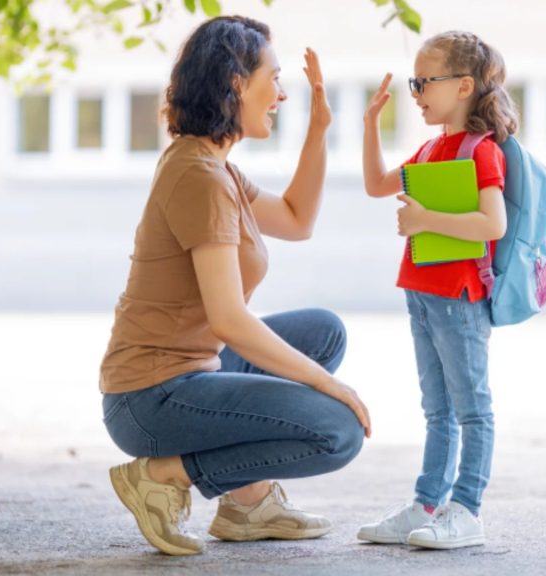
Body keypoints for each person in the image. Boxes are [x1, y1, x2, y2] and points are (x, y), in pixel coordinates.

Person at [99, 16, 371, 556]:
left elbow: (296, 219)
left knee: (323, 332)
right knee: (336, 431)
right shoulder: (200, 177)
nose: (282, 93)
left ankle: (247, 505)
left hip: (195, 373)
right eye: (273, 77)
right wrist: (328, 386)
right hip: (150, 399)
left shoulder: (214, 166)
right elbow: (229, 319)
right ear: (236, 83)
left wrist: (319, 131)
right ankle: (164, 474)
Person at [357, 30, 519, 550]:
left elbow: (491, 225)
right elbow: (377, 184)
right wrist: (369, 125)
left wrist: (427, 217)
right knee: (436, 408)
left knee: (472, 407)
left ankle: (466, 509)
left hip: (459, 296)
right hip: (422, 292)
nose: (417, 92)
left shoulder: (481, 151)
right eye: (415, 82)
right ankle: (428, 504)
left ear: (465, 86)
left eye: (425, 82)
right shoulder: (430, 148)